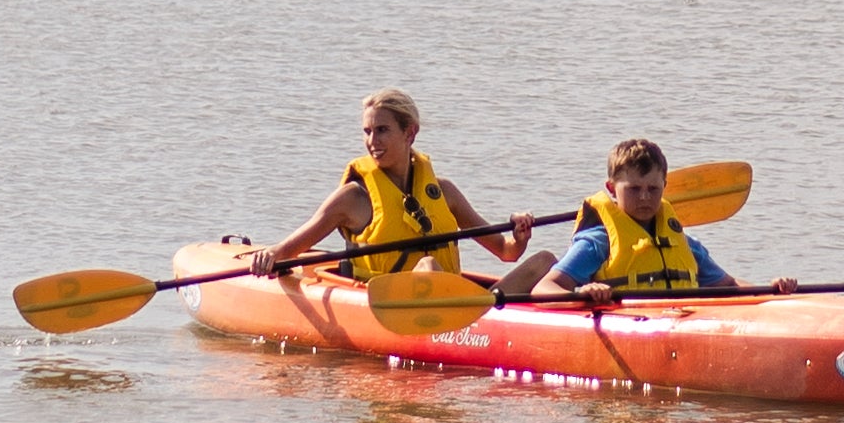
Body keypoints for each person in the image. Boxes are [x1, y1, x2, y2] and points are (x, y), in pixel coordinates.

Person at [260, 89, 500, 283]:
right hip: (389, 306)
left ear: (410, 133)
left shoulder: (445, 192)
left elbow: (507, 251)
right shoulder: (353, 198)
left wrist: (521, 231)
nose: (372, 141)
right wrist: (271, 256)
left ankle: (485, 318)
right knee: (427, 265)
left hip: (454, 303)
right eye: (367, 132)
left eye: (382, 130)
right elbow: (292, 247)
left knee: (539, 263)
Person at [523, 137, 733, 298]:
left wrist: (767, 292)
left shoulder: (686, 245)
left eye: (653, 188)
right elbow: (544, 288)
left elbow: (730, 286)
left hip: (679, 322)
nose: (644, 197)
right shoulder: (597, 242)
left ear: (664, 187)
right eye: (633, 189)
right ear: (611, 189)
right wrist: (582, 294)